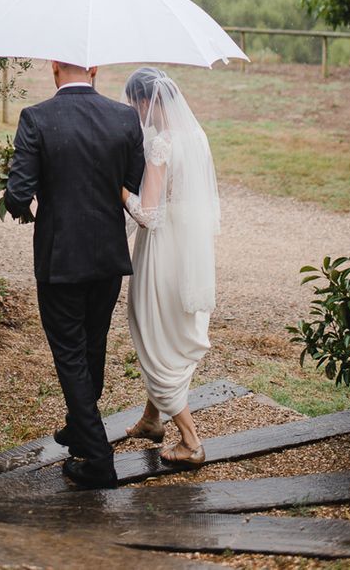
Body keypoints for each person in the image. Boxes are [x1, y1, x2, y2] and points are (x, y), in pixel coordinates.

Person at [5, 61, 145, 490]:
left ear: (53, 70)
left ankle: (99, 460)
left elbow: (17, 194)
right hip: (107, 257)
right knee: (92, 343)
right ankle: (77, 424)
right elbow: (133, 182)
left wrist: (23, 208)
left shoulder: (36, 118)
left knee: (69, 353)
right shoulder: (124, 118)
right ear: (95, 69)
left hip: (60, 260)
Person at [120, 66, 220, 466]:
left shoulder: (161, 144)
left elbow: (149, 215)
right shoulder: (196, 137)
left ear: (146, 102)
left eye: (133, 103)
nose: (133, 111)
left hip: (161, 250)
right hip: (189, 248)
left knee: (151, 328)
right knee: (171, 326)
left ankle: (191, 440)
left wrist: (121, 190)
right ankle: (151, 419)